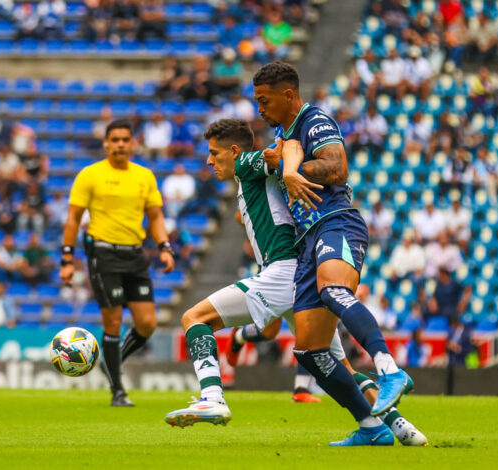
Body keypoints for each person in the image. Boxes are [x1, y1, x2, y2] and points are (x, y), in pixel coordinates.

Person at [167, 118, 425, 445]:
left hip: (283, 272)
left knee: (194, 318)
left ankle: (213, 397)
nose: (208, 161)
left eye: (214, 153)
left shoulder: (246, 164)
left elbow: (286, 148)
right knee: (334, 362)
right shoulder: (251, 184)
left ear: (234, 151)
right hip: (300, 274)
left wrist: (286, 165)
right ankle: (393, 427)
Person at [255, 62, 412, 444]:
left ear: (288, 95)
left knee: (334, 290)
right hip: (307, 241)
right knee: (309, 349)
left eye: (265, 100)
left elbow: (337, 168)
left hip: (336, 221)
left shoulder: (315, 120)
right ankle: (372, 429)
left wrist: (295, 171)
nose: (259, 108)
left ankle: (389, 370)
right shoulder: (283, 134)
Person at [60, 119, 175, 407]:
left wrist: (164, 247)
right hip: (103, 255)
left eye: (126, 139)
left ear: (133, 143)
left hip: (135, 254)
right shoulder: (90, 175)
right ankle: (118, 390)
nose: (121, 144)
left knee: (147, 323)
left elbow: (156, 216)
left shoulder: (144, 176)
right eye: (115, 140)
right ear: (106, 143)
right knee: (113, 322)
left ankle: (112, 360)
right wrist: (67, 258)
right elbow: (73, 218)